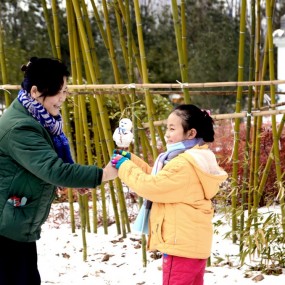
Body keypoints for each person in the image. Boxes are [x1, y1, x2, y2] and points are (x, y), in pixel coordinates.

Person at [0, 57, 117, 285]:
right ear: (35, 91)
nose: (63, 98)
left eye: (65, 91)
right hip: (7, 227)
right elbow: (53, 169)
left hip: (16, 221)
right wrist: (102, 174)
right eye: (59, 92)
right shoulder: (21, 127)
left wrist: (77, 180)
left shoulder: (35, 117)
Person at [111, 104, 228, 285]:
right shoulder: (193, 157)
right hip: (192, 245)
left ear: (191, 133)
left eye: (172, 128)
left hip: (180, 246)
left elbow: (152, 186)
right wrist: (130, 160)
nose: (167, 133)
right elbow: (159, 179)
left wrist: (123, 166)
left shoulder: (184, 164)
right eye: (167, 127)